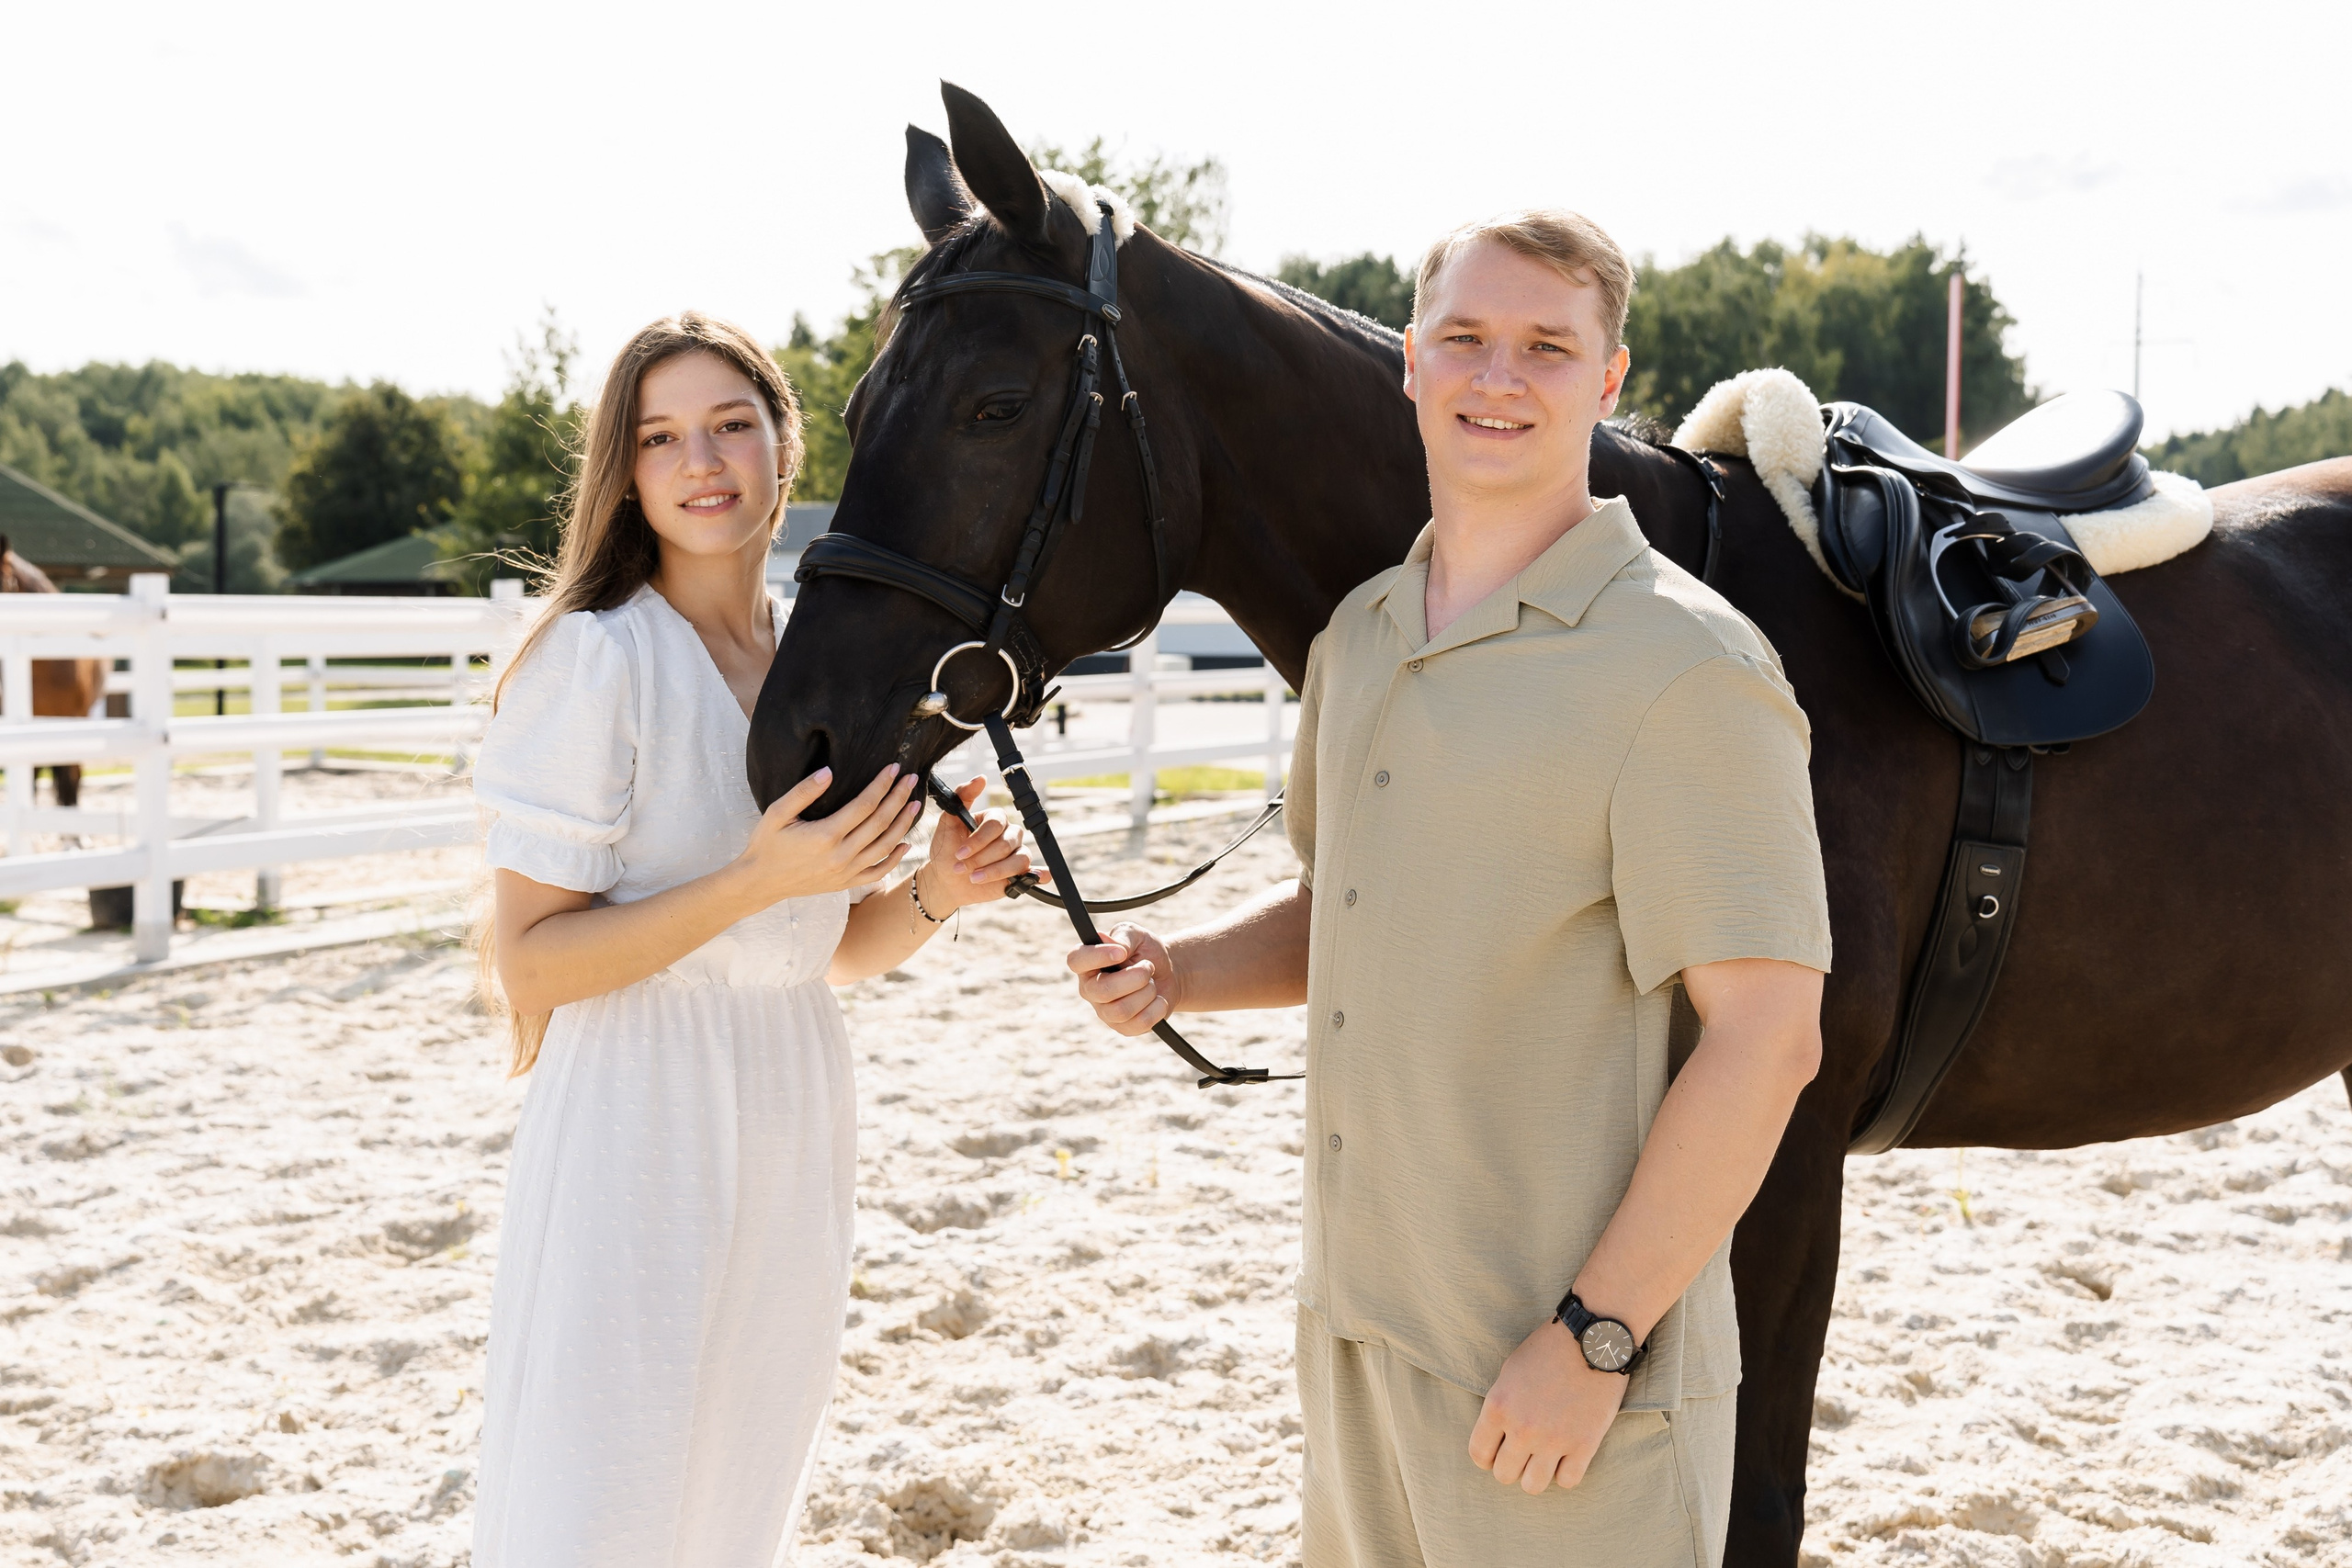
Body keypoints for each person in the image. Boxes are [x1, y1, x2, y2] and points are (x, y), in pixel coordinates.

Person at [1068, 213, 1832, 1567]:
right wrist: (1185, 970)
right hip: (1360, 1346)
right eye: (1467, 340)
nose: (1500, 377)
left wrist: (1596, 1338)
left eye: (1548, 347)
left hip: (1565, 1379)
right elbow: (1358, 907)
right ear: (1410, 365)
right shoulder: (1361, 636)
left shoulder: (1686, 667)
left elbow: (1770, 1038)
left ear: (1608, 384)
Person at [469, 312, 1035, 1567]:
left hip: (790, 1095)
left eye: (732, 424)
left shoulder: (811, 658)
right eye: (661, 436)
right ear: (625, 472)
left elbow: (810, 953)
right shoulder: (599, 657)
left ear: (787, 443)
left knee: (738, 1481)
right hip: (637, 1110)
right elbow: (531, 964)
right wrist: (751, 877)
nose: (702, 460)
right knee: (603, 1491)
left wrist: (937, 892)